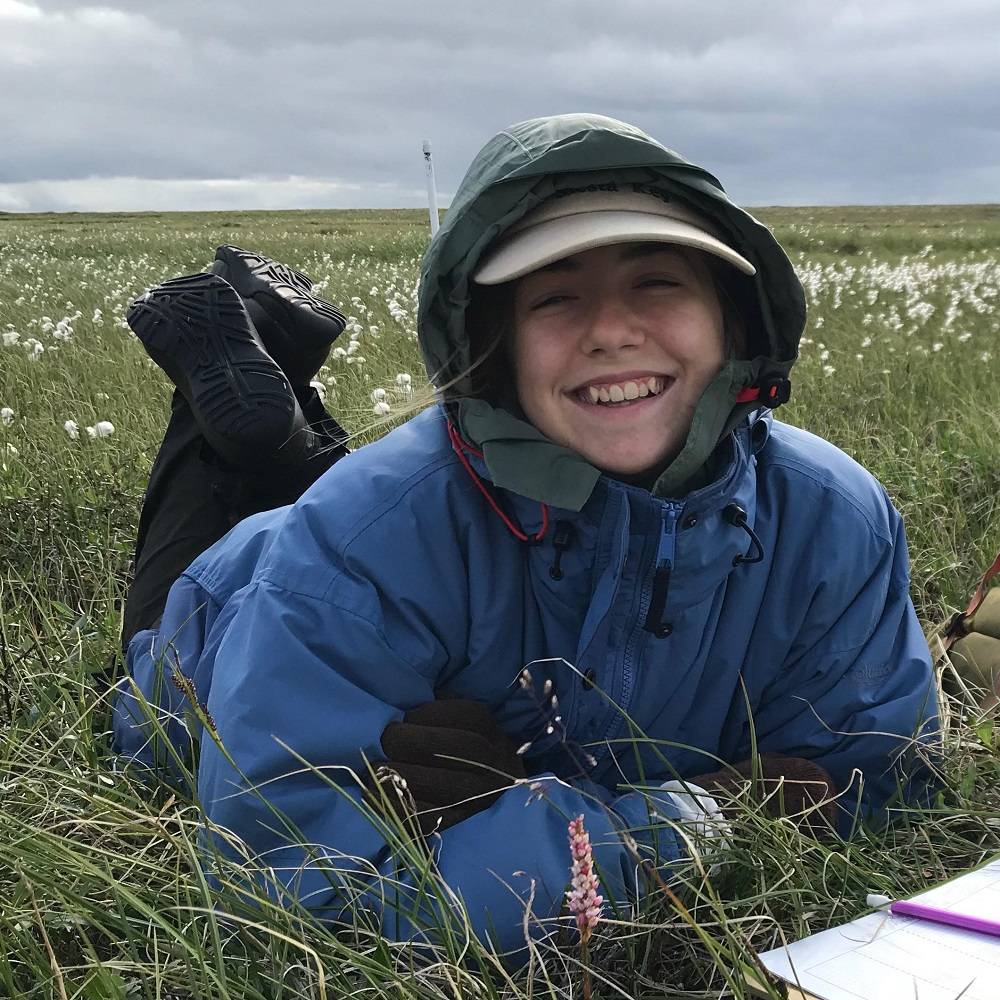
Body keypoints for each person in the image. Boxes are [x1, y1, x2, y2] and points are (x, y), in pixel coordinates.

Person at [112, 113, 939, 957]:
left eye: (657, 281)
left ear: (735, 322)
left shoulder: (833, 516)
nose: (611, 331)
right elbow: (291, 891)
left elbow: (878, 777)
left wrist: (522, 815)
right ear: (492, 348)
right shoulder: (360, 536)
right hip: (215, 620)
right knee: (209, 555)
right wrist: (691, 821)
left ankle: (275, 377)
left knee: (351, 500)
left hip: (372, 533)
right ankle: (220, 401)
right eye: (554, 296)